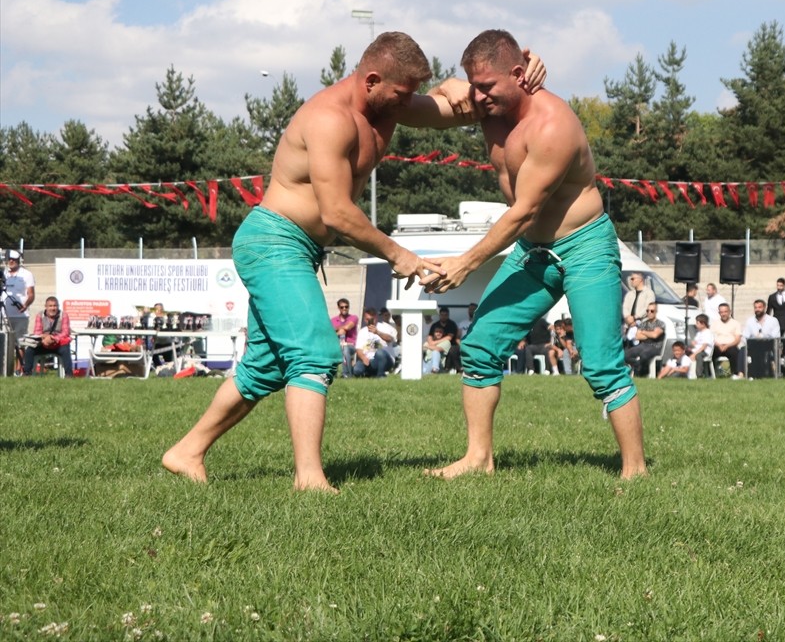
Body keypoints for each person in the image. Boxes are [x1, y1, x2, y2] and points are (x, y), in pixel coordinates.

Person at [162, 31, 544, 492]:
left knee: (264, 367)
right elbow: (337, 212)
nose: (409, 103)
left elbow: (459, 106)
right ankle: (309, 479)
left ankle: (186, 452)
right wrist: (399, 254)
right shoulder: (329, 119)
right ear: (373, 80)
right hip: (273, 241)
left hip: (301, 248)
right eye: (402, 94)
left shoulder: (387, 106)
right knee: (314, 355)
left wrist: (523, 65)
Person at [420, 30, 645, 480]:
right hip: (533, 252)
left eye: (488, 86)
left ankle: (634, 470)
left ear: (519, 75)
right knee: (480, 346)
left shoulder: (552, 125)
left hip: (584, 245)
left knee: (600, 363)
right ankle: (478, 458)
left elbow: (523, 213)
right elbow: (433, 100)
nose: (479, 97)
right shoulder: (488, 105)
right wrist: (453, 84)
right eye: (475, 85)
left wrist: (464, 264)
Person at [20, 296, 72, 376]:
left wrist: (53, 338)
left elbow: (65, 332)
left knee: (66, 349)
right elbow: (37, 332)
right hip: (43, 343)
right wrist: (45, 338)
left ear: (58, 306)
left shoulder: (64, 315)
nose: (53, 308)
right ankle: (27, 373)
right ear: (46, 307)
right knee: (29, 350)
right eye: (50, 306)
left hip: (58, 344)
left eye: (55, 306)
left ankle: (69, 375)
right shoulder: (40, 315)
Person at [3, 250, 35, 375]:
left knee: (19, 342)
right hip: (5, 314)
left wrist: (25, 305)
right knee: (5, 343)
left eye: (14, 260)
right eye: (9, 259)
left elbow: (31, 294)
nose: (11, 262)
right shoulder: (4, 273)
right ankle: (6, 368)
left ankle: (18, 369)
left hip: (20, 315)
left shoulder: (26, 274)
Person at [624, 303, 665, 376]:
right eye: (647, 311)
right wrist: (650, 334)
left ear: (656, 311)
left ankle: (640, 372)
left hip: (655, 347)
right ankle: (637, 366)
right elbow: (637, 336)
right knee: (625, 355)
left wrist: (643, 332)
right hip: (643, 345)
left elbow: (655, 335)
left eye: (652, 311)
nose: (649, 312)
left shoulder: (660, 323)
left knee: (644, 355)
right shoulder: (643, 323)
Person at [353, 308, 397, 377]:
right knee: (357, 370)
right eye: (367, 320)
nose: (370, 322)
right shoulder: (362, 332)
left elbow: (390, 339)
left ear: (375, 318)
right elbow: (359, 349)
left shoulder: (384, 327)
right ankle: (371, 373)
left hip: (385, 359)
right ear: (364, 319)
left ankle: (380, 376)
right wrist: (364, 358)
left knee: (379, 352)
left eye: (372, 319)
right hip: (369, 359)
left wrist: (378, 332)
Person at [710, 303, 744, 378]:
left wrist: (727, 345)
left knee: (734, 352)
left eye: (725, 312)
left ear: (729, 312)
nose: (723, 314)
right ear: (719, 313)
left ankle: (735, 374)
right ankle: (710, 374)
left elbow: (737, 339)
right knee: (710, 352)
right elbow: (711, 338)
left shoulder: (736, 323)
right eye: (721, 312)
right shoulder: (715, 323)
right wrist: (719, 345)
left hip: (731, 345)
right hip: (718, 346)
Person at [330, 298, 358, 377]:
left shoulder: (353, 318)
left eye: (346, 306)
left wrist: (337, 329)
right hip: (337, 344)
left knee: (345, 349)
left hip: (351, 345)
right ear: (338, 308)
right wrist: (340, 331)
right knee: (332, 349)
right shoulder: (333, 320)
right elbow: (330, 332)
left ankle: (347, 374)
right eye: (342, 307)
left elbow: (348, 327)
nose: (344, 308)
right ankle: (332, 374)